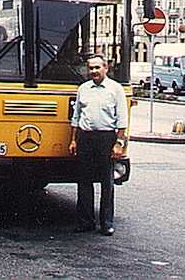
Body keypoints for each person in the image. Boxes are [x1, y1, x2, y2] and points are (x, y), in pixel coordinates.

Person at [68, 54, 128, 237]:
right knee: (84, 182)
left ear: (106, 68)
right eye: (91, 68)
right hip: (85, 138)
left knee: (106, 183)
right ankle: (85, 222)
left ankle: (106, 223)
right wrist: (73, 140)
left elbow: (122, 119)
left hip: (106, 139)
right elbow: (76, 117)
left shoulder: (115, 89)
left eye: (97, 67)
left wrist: (119, 143)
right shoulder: (83, 89)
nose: (93, 71)